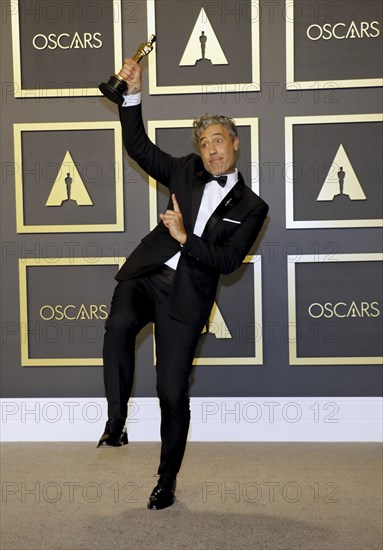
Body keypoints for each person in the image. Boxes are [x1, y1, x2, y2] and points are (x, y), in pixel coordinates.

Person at [97, 58, 269, 510]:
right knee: (117, 327)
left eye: (218, 141)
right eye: (205, 143)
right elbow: (139, 147)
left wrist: (184, 237)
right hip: (147, 276)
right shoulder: (185, 170)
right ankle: (116, 423)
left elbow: (229, 261)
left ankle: (166, 480)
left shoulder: (253, 207)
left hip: (186, 297)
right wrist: (131, 95)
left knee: (172, 393)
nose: (211, 151)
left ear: (234, 144)